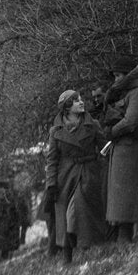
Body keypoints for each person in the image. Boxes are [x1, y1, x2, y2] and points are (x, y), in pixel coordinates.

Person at [45, 90, 107, 263]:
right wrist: (51, 183)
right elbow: (52, 159)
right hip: (64, 177)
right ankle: (67, 256)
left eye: (81, 99)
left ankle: (88, 251)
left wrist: (99, 167)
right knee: (64, 217)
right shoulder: (55, 131)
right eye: (76, 101)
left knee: (77, 210)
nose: (81, 103)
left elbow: (105, 148)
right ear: (66, 107)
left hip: (88, 173)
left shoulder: (91, 124)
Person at [103, 57, 138, 242]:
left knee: (132, 197)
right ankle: (124, 238)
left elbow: (130, 122)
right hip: (122, 149)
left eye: (118, 75)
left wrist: (111, 131)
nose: (116, 80)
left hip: (132, 149)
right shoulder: (128, 92)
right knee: (122, 199)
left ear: (128, 75)